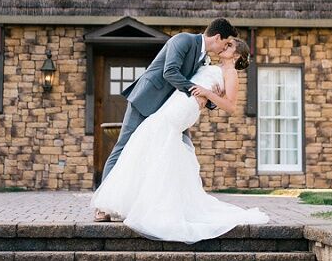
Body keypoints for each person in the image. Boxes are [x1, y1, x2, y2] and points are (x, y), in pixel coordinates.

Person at [91, 36, 269, 243]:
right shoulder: (206, 61)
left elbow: (230, 105)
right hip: (174, 102)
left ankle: (149, 206)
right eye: (226, 43)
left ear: (236, 55)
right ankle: (136, 202)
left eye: (230, 46)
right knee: (152, 144)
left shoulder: (230, 73)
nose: (224, 47)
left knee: (154, 135)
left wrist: (207, 94)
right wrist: (208, 93)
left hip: (184, 108)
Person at [94, 18, 238, 223]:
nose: (225, 47)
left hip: (169, 111)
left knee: (183, 150)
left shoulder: (204, 58)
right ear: (217, 37)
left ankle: (173, 205)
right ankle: (102, 205)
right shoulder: (183, 40)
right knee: (123, 147)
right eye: (225, 43)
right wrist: (193, 90)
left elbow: (200, 87)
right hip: (145, 101)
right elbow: (169, 71)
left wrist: (210, 100)